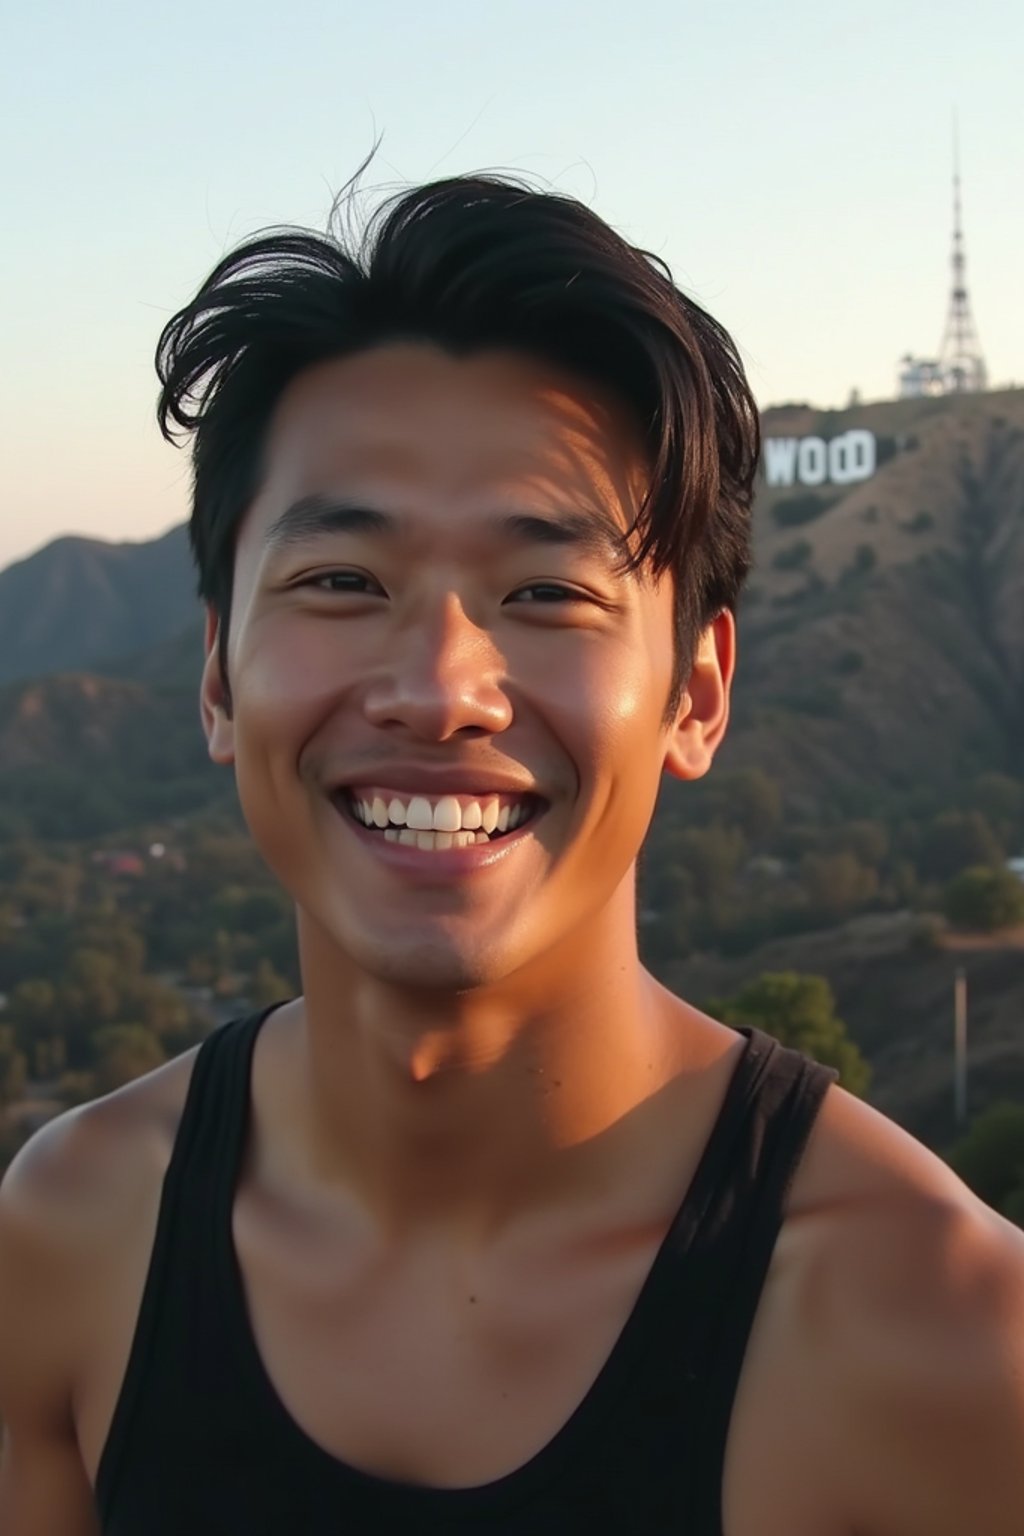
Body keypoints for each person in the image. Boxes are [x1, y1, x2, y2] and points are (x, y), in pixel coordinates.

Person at [0, 175, 1021, 1536]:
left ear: (697, 694)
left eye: (547, 593)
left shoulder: (942, 1336)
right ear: (215, 675)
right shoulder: (75, 1243)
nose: (440, 689)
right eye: (342, 582)